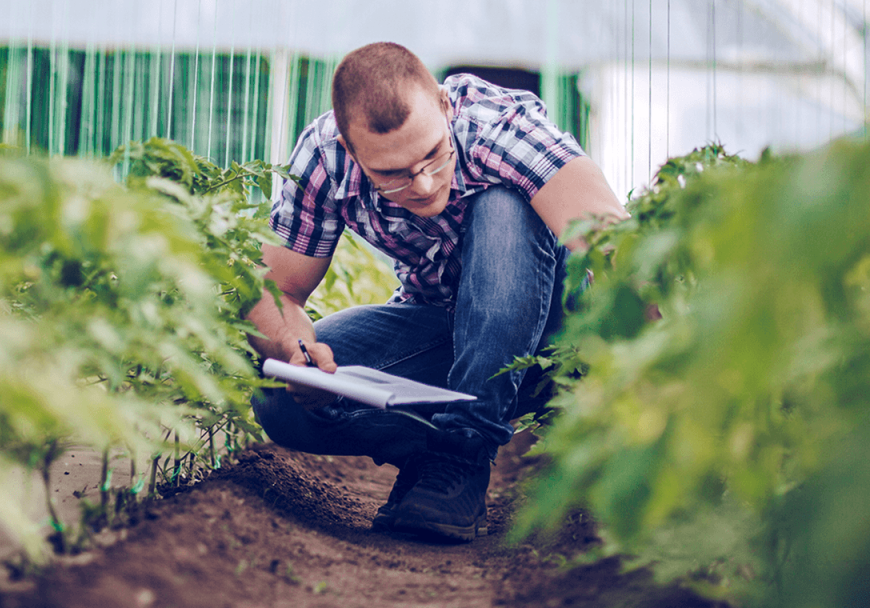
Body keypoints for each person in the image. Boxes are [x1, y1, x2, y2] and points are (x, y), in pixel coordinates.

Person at [246, 42, 627, 542]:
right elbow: (278, 291)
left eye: (432, 155)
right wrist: (297, 354)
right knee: (280, 401)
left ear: (445, 108)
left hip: (558, 341)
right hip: (447, 329)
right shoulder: (324, 159)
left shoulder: (501, 130)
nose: (423, 184)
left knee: (503, 202)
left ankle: (462, 451)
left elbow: (616, 248)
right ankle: (437, 444)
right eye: (393, 174)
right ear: (350, 145)